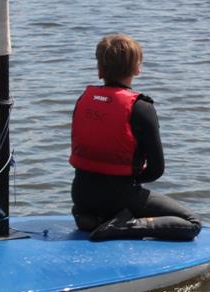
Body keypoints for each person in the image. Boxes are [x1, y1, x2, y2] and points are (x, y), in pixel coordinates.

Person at [69, 34, 201, 242]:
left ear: (99, 70)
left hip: (81, 197)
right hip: (119, 196)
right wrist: (127, 178)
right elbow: (156, 170)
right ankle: (125, 226)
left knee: (102, 200)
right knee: (192, 224)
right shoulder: (141, 108)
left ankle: (93, 220)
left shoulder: (84, 100)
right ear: (137, 69)